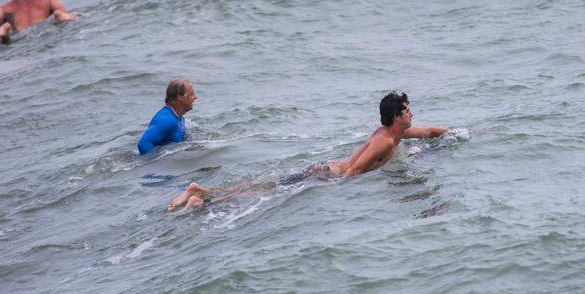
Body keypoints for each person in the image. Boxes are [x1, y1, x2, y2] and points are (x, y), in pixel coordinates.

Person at [167, 91, 447, 211]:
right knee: (265, 191)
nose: (411, 114)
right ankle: (204, 199)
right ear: (396, 117)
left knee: (265, 186)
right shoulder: (385, 141)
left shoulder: (397, 133)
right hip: (324, 175)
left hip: (323, 171)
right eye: (407, 110)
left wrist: (460, 133)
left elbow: (430, 131)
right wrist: (338, 193)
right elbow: (353, 171)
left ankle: (202, 194)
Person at [138, 79, 197, 155]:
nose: (195, 97)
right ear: (180, 97)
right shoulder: (167, 120)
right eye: (191, 94)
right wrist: (158, 165)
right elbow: (143, 144)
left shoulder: (179, 117)